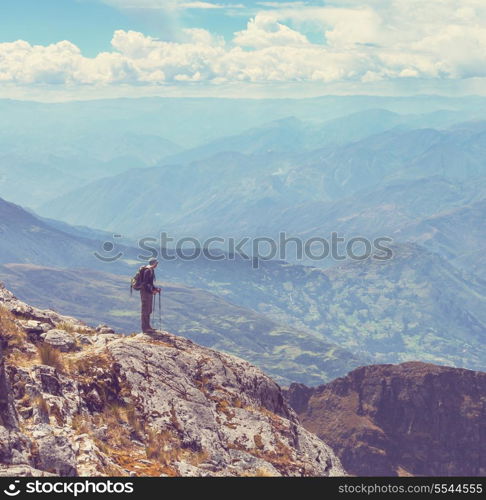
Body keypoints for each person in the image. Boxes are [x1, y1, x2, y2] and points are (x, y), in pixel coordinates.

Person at [140, 258, 161, 333]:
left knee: (148, 309)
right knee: (145, 309)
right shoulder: (147, 271)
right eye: (156, 263)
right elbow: (145, 284)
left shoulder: (151, 270)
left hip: (148, 292)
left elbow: (150, 284)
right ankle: (145, 328)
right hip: (145, 293)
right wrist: (152, 290)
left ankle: (148, 326)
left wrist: (155, 289)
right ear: (154, 263)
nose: (157, 265)